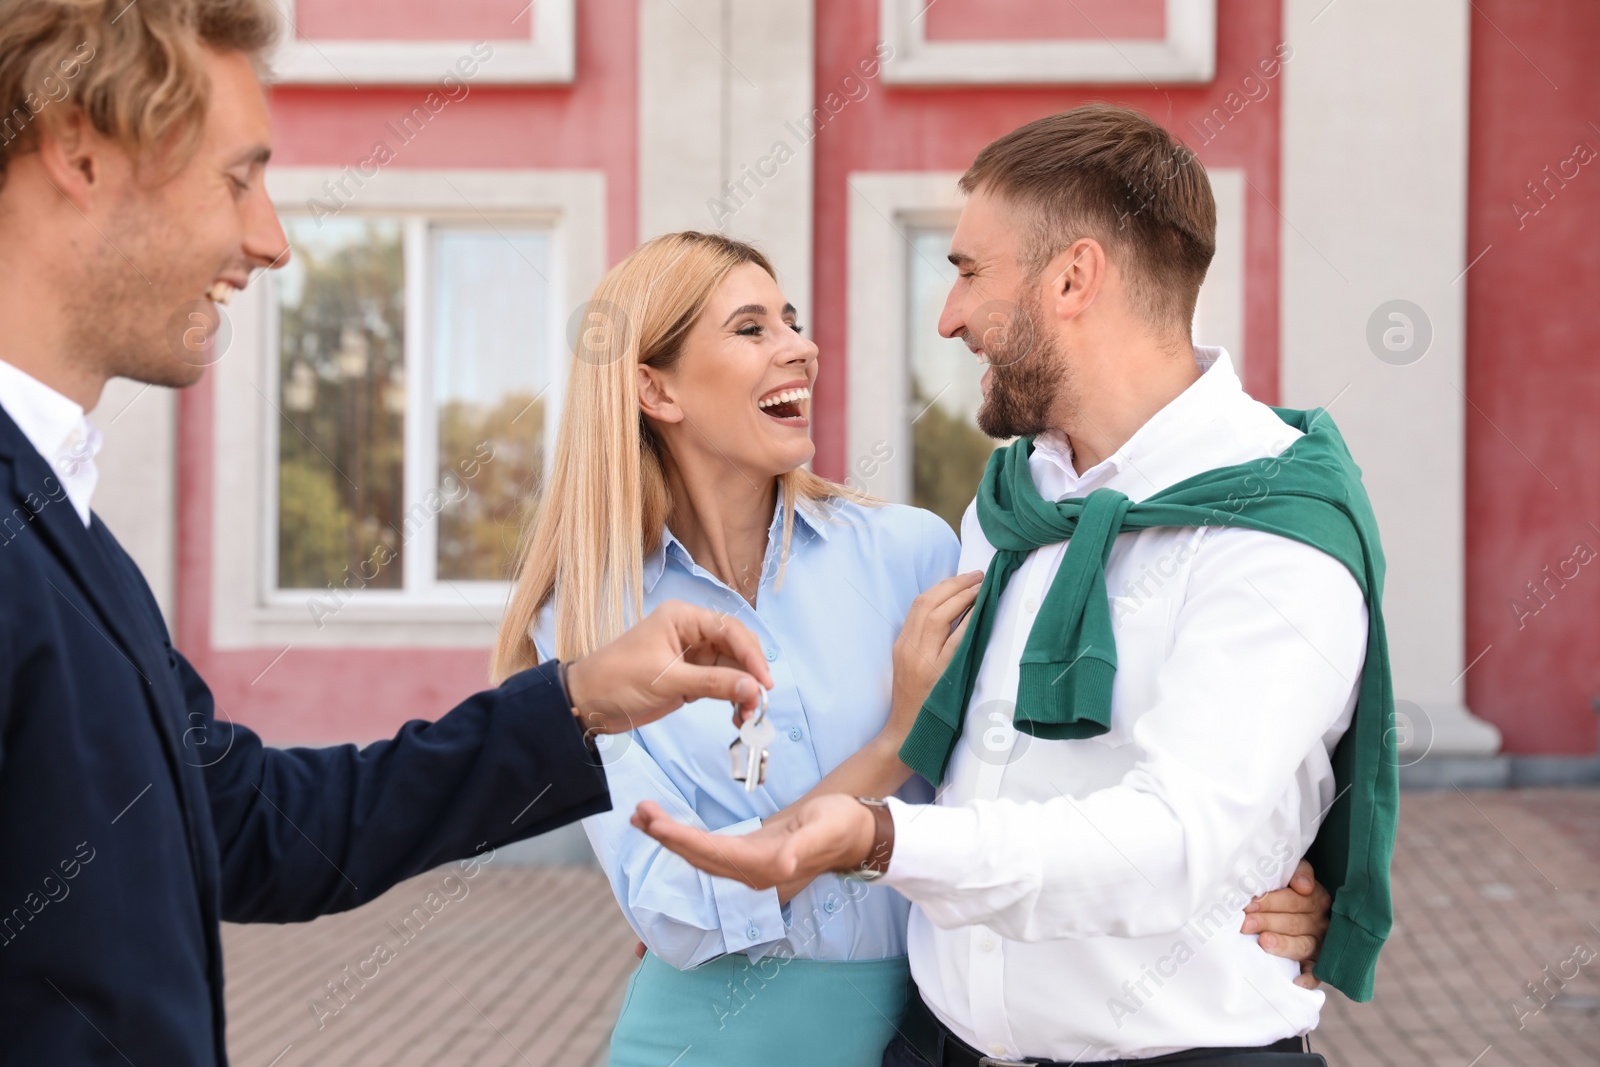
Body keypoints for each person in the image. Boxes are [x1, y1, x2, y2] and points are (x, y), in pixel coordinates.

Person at [0, 3, 771, 1063]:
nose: (268, 238)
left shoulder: (65, 524)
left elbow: (250, 824)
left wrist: (578, 697)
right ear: (78, 152)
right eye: (237, 178)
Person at [635, 106, 1399, 1067]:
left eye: (965, 273)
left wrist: (880, 840)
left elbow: (1174, 842)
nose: (949, 318)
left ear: (1072, 278)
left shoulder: (1275, 529)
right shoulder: (1008, 509)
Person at [493, 231, 1336, 1067]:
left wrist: (1267, 878)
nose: (802, 347)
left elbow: (1069, 774)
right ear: (654, 389)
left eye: (792, 320)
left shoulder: (915, 553)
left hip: (922, 1032)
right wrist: (895, 744)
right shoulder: (585, 625)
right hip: (705, 1039)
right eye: (752, 329)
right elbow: (671, 911)